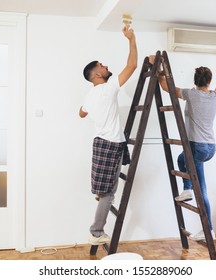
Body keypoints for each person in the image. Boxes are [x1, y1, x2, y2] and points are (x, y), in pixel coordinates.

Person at [150, 56, 216, 242]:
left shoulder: (191, 94)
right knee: (182, 159)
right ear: (209, 81)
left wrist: (159, 74)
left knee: (202, 190)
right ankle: (187, 189)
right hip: (211, 147)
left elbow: (167, 88)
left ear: (195, 81)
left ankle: (209, 230)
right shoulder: (214, 95)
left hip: (196, 147)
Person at [79, 26, 137, 245]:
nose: (106, 66)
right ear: (97, 74)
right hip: (111, 144)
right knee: (109, 195)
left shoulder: (91, 94)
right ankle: (96, 232)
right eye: (102, 66)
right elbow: (132, 65)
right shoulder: (107, 88)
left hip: (102, 143)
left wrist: (91, 107)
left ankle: (100, 194)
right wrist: (132, 39)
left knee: (105, 190)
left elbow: (81, 113)